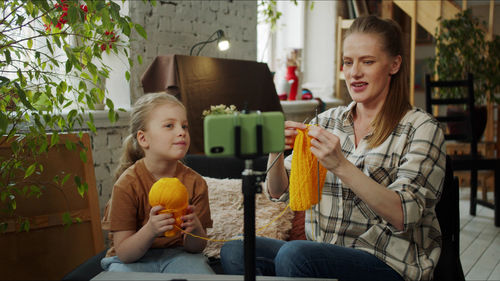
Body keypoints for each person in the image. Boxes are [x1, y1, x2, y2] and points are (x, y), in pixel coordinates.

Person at [220, 15, 446, 281]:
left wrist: (340, 165)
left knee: (295, 255)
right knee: (236, 250)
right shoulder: (326, 121)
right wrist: (276, 152)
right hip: (321, 254)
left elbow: (404, 214)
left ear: (394, 64)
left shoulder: (421, 127)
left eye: (368, 62)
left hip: (388, 263)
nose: (354, 72)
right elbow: (280, 192)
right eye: (348, 62)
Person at [101, 92, 214, 274]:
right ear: (143, 138)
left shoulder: (196, 183)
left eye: (184, 126)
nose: (181, 132)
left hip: (179, 256)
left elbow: (197, 247)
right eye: (169, 125)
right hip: (131, 261)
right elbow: (124, 253)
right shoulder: (127, 184)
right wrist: (151, 229)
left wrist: (195, 229)